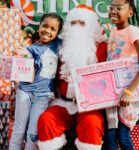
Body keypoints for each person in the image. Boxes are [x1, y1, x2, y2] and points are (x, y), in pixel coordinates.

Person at [37, 4, 108, 150]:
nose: (76, 27)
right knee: (46, 120)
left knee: (91, 124)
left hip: (90, 106)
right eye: (73, 23)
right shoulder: (60, 47)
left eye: (82, 23)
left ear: (91, 27)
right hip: (64, 103)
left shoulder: (103, 48)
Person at [9, 13, 63, 150]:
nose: (47, 31)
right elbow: (20, 67)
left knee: (33, 134)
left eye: (52, 29)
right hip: (24, 93)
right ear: (39, 26)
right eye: (44, 26)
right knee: (18, 131)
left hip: (43, 96)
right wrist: (19, 55)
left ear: (57, 33)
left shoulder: (58, 45)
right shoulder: (29, 49)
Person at [103, 0, 139, 150]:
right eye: (111, 7)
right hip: (112, 92)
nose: (113, 10)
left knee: (123, 134)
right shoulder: (113, 32)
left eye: (118, 7)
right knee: (110, 135)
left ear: (130, 12)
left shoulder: (133, 31)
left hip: (128, 93)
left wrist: (129, 92)